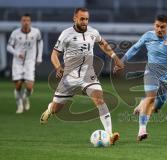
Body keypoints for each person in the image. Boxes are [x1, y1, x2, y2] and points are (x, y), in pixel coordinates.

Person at [40, 8, 124, 145]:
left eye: (86, 19)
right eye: (82, 19)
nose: (85, 22)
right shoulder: (66, 34)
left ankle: (109, 134)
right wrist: (58, 67)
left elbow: (102, 43)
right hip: (69, 77)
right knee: (56, 109)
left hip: (88, 74)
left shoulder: (93, 32)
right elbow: (54, 55)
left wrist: (115, 57)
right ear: (75, 18)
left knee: (99, 100)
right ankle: (50, 109)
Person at [7, 13, 43, 114]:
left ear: (30, 22)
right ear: (21, 22)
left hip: (30, 62)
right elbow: (8, 47)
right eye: (23, 20)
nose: (25, 22)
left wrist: (39, 57)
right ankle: (19, 105)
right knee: (18, 85)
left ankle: (25, 98)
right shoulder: (15, 33)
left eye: (27, 20)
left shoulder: (36, 32)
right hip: (17, 62)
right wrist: (17, 53)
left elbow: (40, 43)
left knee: (29, 87)